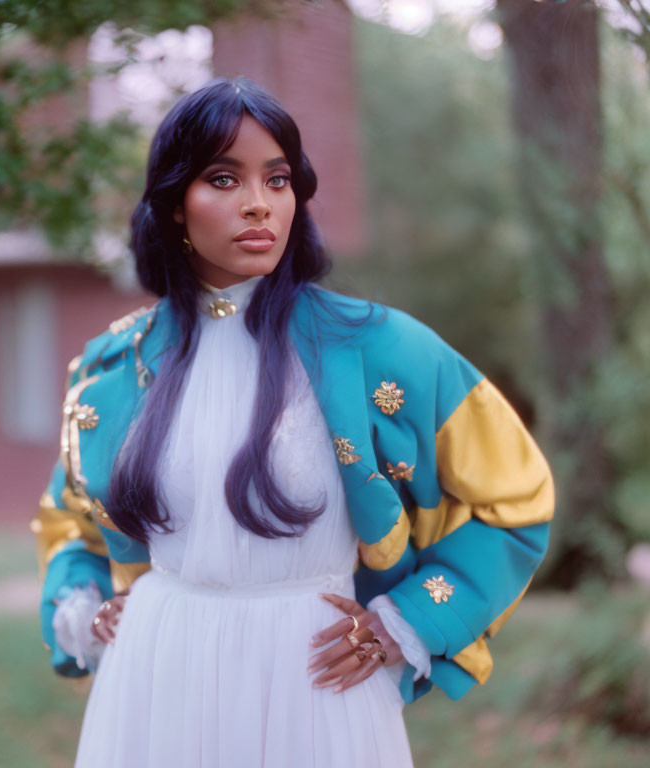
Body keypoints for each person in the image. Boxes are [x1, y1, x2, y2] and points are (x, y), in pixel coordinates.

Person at [31, 76, 555, 767]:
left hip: (315, 676)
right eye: (223, 178)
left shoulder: (378, 348)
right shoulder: (112, 366)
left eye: (277, 180)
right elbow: (68, 520)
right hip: (153, 677)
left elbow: (517, 498)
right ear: (174, 206)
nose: (257, 204)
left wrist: (412, 621)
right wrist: (87, 606)